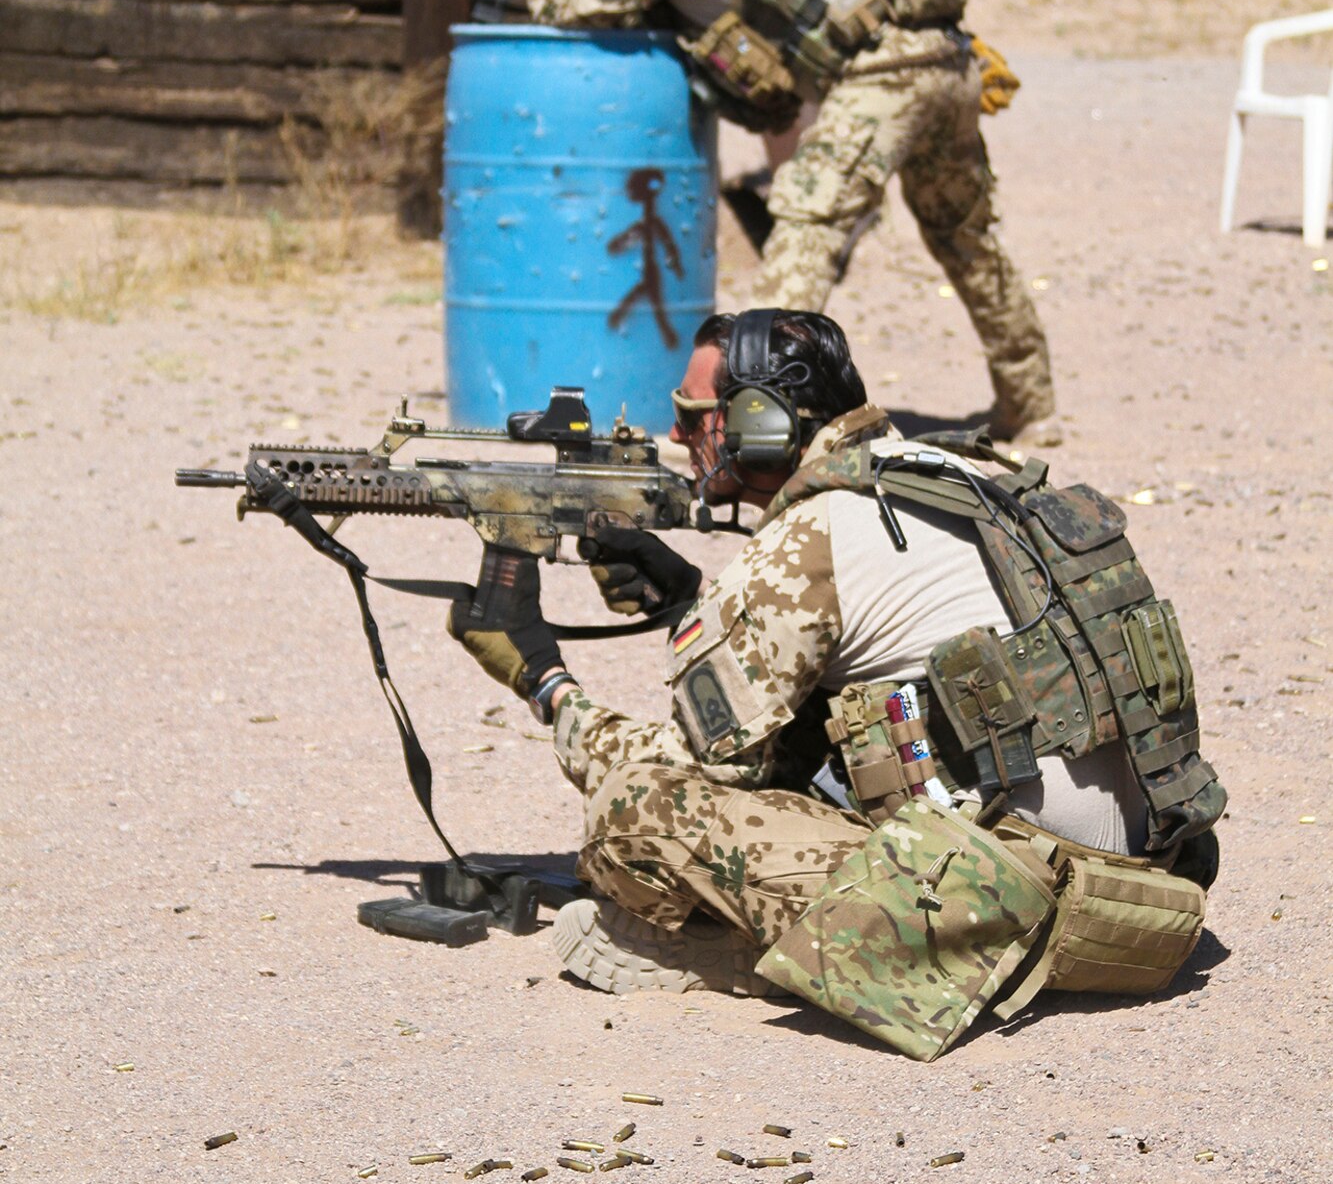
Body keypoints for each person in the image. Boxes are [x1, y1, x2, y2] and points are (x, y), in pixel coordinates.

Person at [448, 310, 1223, 1058]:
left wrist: (541, 676)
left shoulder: (808, 536)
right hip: (1149, 882)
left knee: (636, 810)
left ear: (759, 423)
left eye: (693, 416)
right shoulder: (945, 472)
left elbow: (696, 763)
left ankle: (751, 963)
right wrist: (691, 604)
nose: (679, 436)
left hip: (1004, 911)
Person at [510, 0, 1057, 447]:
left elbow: (557, 1)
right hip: (946, 58)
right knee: (966, 238)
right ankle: (1033, 405)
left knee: (804, 227)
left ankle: (748, 415)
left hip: (883, 77)